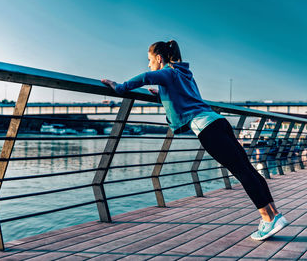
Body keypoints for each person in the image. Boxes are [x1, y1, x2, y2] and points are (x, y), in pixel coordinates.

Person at [101, 40, 288, 241]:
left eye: (149, 60)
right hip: (219, 122)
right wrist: (162, 94)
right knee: (247, 169)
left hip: (207, 129)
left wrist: (119, 87)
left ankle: (268, 219)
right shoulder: (183, 74)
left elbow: (146, 77)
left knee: (242, 172)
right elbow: (185, 96)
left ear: (159, 58)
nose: (148, 64)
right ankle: (274, 215)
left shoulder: (167, 72)